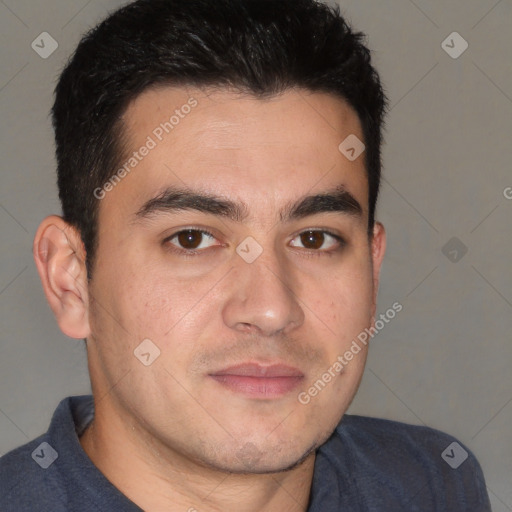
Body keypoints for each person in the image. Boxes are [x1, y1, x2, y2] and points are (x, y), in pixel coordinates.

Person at [0, 0, 491, 510]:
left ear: (371, 269)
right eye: (192, 238)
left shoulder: (432, 484)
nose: (271, 309)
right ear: (71, 281)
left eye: (315, 238)